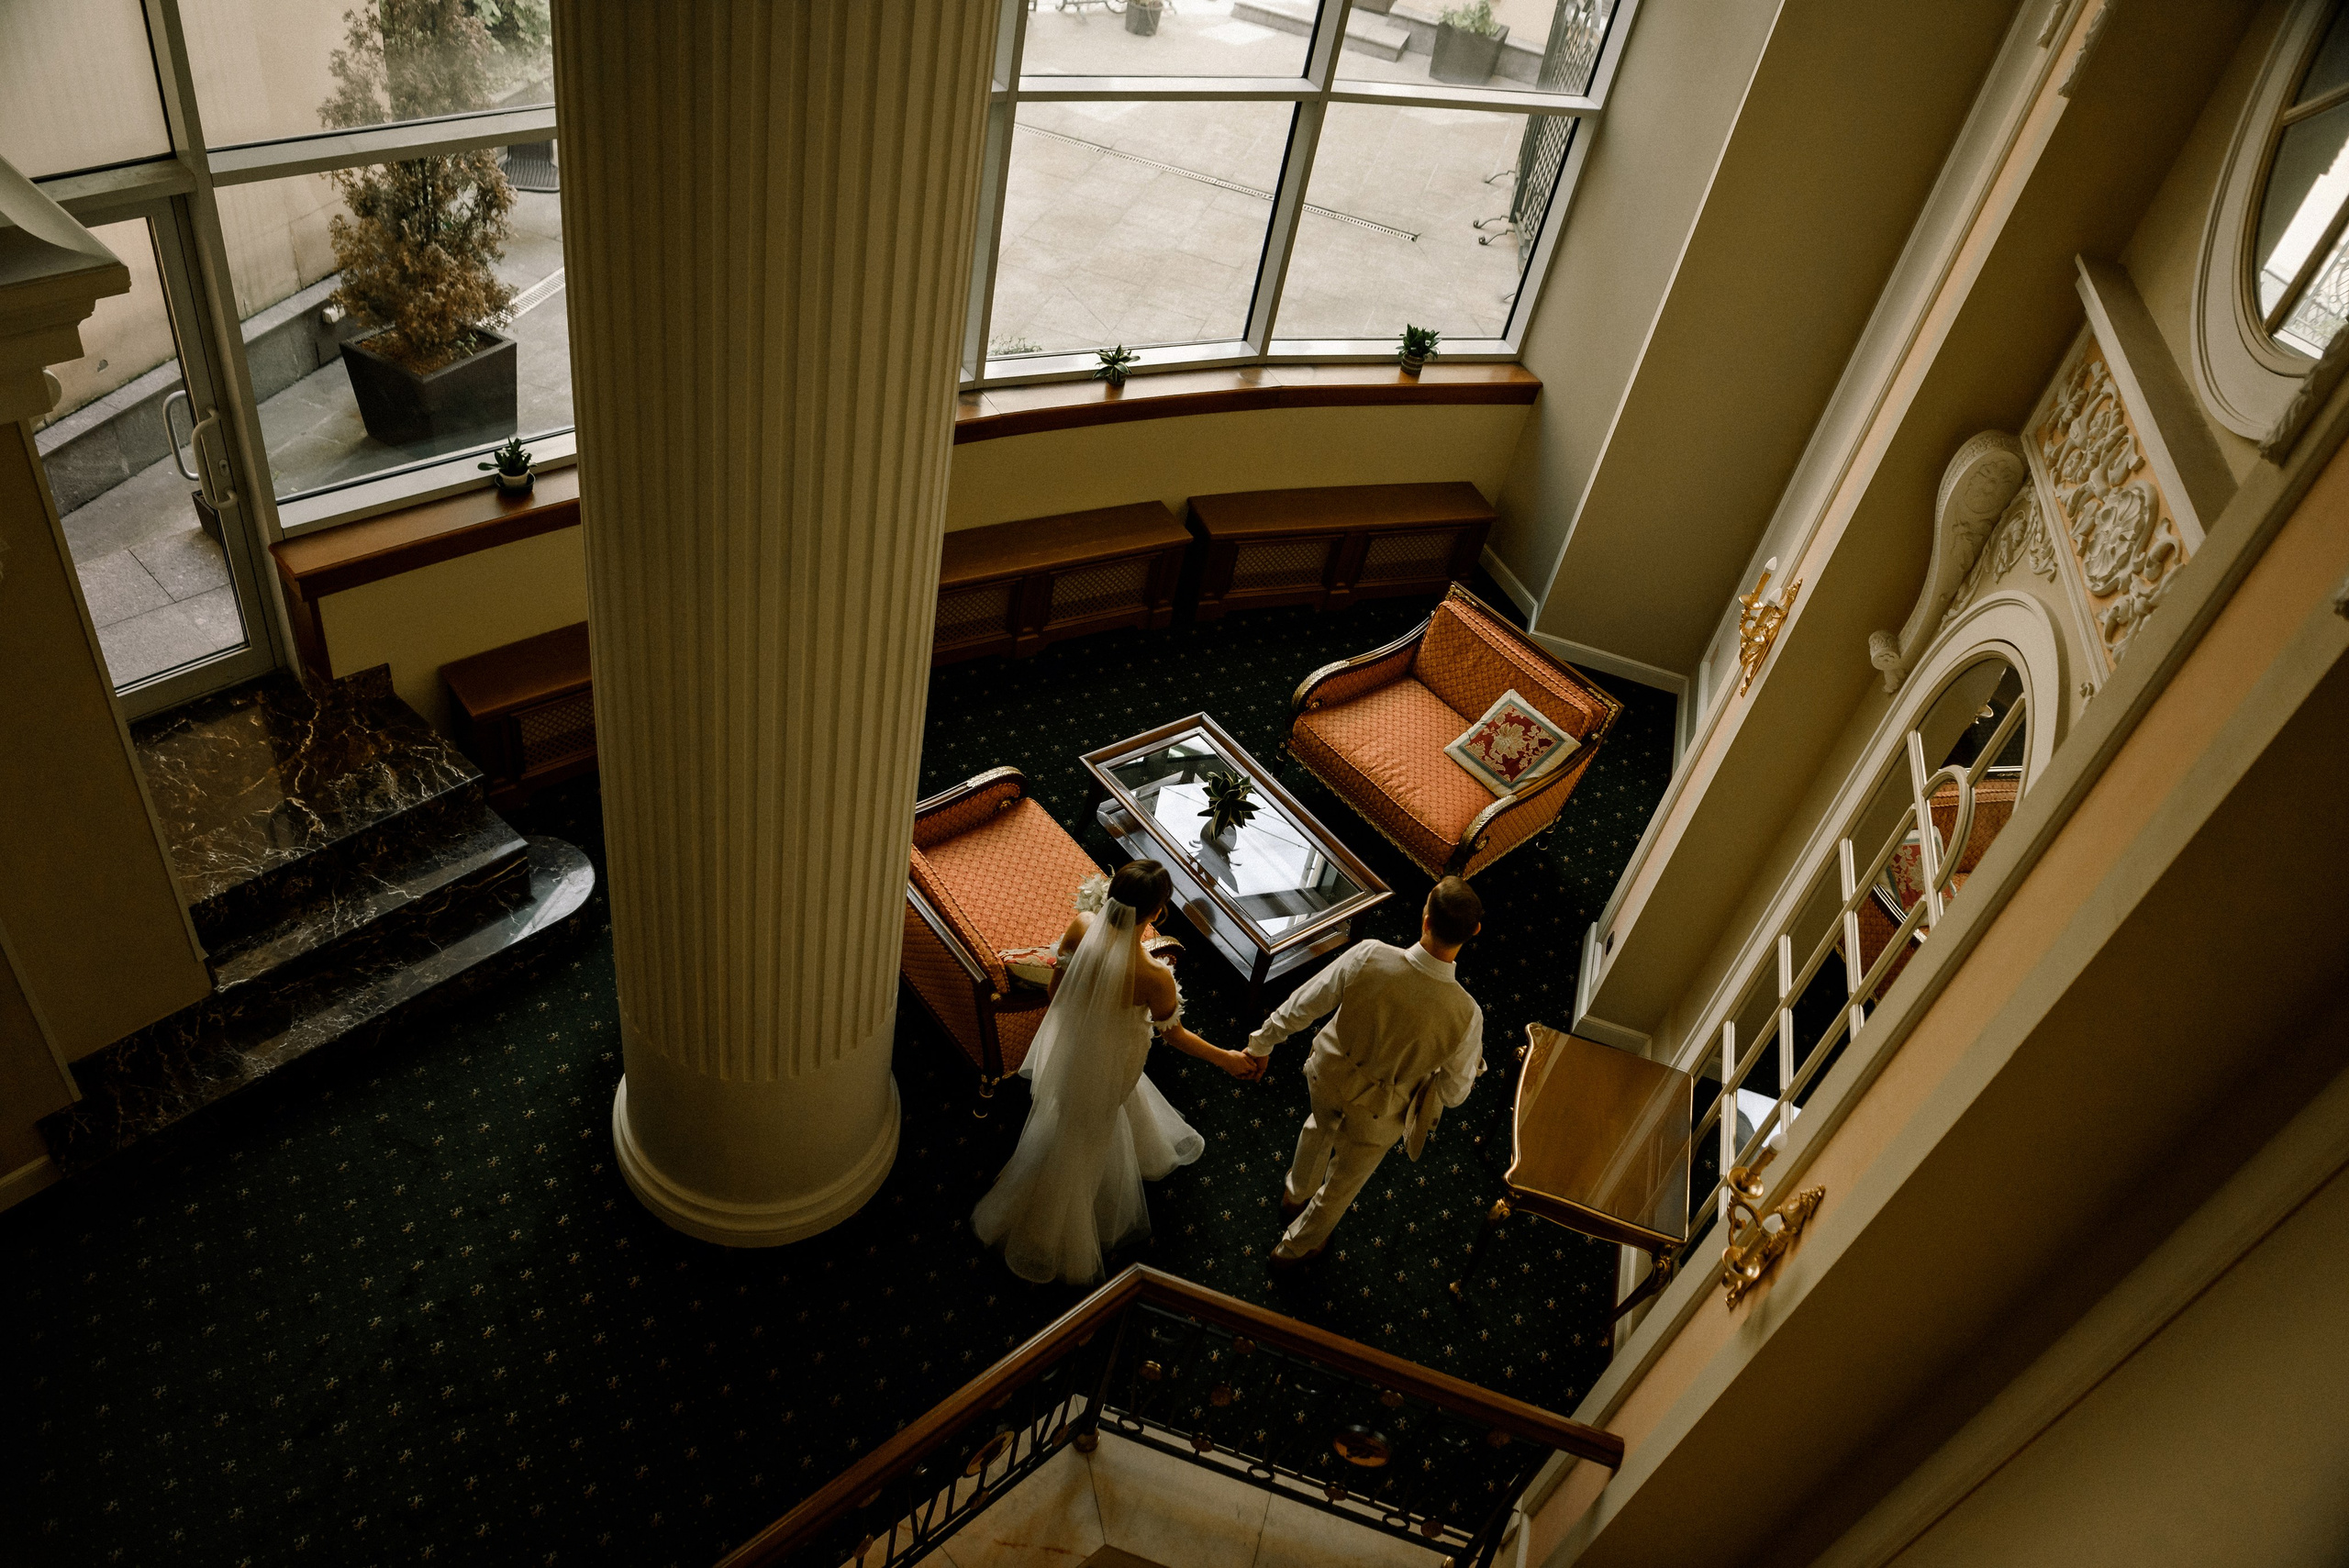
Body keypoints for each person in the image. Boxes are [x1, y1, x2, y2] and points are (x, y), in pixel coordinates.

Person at [973, 860, 1260, 1285]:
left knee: (1079, 1107)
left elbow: (1055, 992)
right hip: (1118, 1053)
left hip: (1073, 1044)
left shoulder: (1081, 926)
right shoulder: (1154, 976)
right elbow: (1174, 1036)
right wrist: (1227, 1058)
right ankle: (1048, 1234)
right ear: (1157, 912)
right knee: (1085, 1130)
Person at [1246, 876, 1486, 1272]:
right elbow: (1454, 1093)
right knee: (1344, 1183)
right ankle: (1294, 1249)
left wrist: (1261, 1043)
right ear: (1474, 931)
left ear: (1425, 920)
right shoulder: (1467, 1015)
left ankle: (1294, 1194)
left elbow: (1306, 1002)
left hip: (1327, 1075)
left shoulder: (1370, 953)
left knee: (1318, 1127)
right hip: (1380, 1111)